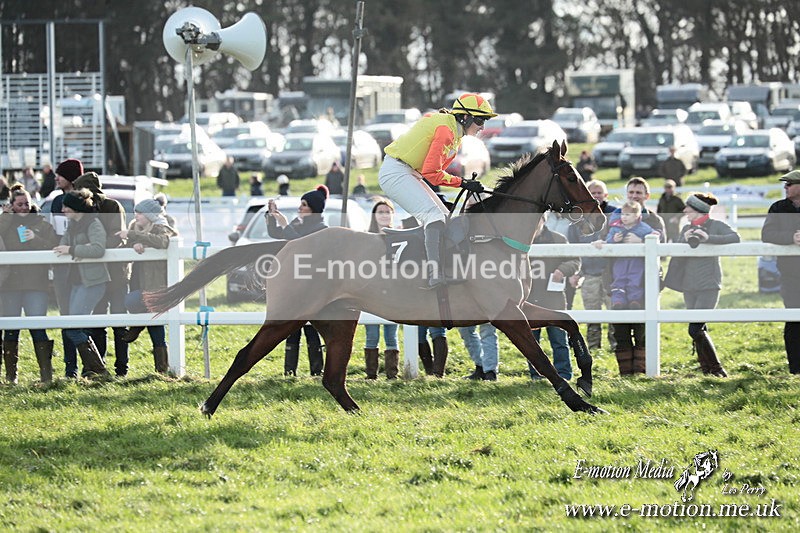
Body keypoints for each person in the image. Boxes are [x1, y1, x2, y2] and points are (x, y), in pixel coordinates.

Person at [378, 92, 495, 288]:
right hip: (396, 172)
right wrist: (463, 183)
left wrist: (462, 183)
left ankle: (441, 267)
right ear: (465, 117)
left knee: (445, 217)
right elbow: (431, 173)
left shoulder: (453, 130)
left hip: (409, 172)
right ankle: (434, 275)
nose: (483, 126)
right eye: (480, 120)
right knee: (433, 217)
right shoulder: (446, 131)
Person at [664, 193, 739, 377]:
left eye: (688, 207)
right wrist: (685, 239)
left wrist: (708, 238)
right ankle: (707, 370)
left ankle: (717, 368)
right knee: (699, 329)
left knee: (695, 328)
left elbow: (735, 237)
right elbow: (679, 253)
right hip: (689, 285)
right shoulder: (686, 228)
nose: (684, 210)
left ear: (698, 210)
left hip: (709, 284)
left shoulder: (716, 225)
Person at [605, 177, 666, 375]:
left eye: (638, 193)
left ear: (646, 196)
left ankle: (641, 370)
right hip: (618, 278)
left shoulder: (654, 220)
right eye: (631, 192)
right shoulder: (615, 218)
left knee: (642, 328)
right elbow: (605, 243)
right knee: (619, 328)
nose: (634, 196)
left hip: (643, 282)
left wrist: (642, 242)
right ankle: (625, 372)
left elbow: (663, 247)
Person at [266, 185, 329, 376]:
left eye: (304, 205)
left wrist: (285, 225)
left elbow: (300, 245)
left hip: (312, 285)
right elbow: (276, 234)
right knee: (291, 330)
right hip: (295, 283)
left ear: (314, 209)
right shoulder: (299, 223)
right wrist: (271, 216)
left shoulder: (321, 229)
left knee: (312, 330)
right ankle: (289, 371)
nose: (300, 208)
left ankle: (317, 370)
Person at [0, 185, 59, 383]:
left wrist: (36, 238)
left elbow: (53, 247)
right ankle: (11, 377)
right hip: (10, 285)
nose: (24, 207)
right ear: (11, 205)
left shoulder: (42, 223)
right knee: (10, 329)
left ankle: (46, 375)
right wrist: (6, 216)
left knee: (38, 326)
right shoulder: (5, 223)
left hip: (36, 284)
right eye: (19, 204)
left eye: (27, 203)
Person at [73, 171, 129, 377]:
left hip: (115, 273)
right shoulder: (91, 208)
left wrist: (95, 247)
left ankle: (120, 369)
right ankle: (100, 367)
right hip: (98, 273)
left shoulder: (111, 206)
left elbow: (117, 237)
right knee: (99, 322)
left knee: (117, 322)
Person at [52, 189, 110, 378]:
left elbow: (98, 249)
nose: (63, 210)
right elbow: (63, 246)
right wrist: (70, 249)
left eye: (66, 206)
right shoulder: (72, 225)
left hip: (92, 282)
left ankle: (98, 370)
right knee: (75, 326)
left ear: (76, 208)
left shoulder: (93, 224)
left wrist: (72, 249)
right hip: (77, 283)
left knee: (73, 327)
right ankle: (94, 370)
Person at [117, 199, 179, 374]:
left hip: (155, 283)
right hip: (138, 280)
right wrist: (134, 243)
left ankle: (162, 368)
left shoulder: (162, 227)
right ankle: (162, 369)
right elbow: (129, 245)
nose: (136, 216)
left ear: (150, 216)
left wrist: (135, 237)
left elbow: (163, 241)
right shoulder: (135, 227)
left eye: (140, 213)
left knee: (143, 312)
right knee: (151, 318)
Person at [568, 179, 616, 352]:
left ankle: (615, 345)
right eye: (592, 193)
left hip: (610, 273)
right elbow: (572, 247)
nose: (596, 196)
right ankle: (594, 348)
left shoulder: (614, 215)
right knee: (591, 312)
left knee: (613, 312)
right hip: (589, 273)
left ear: (606, 195)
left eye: (599, 192)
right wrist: (577, 272)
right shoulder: (578, 219)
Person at [527, 225, 581, 381]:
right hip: (529, 299)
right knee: (531, 341)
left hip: (553, 299)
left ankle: (564, 374)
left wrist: (562, 270)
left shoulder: (558, 239)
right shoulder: (522, 238)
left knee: (559, 340)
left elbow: (574, 260)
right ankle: (537, 374)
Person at [761, 170, 800, 374]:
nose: (785, 188)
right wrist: (790, 238)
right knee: (793, 319)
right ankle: (795, 368)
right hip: (790, 273)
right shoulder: (777, 208)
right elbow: (766, 234)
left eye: (789, 184)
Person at [49, 158, 84, 377]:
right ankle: (70, 366)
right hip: (62, 267)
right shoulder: (55, 202)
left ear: (69, 177)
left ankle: (92, 366)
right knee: (65, 317)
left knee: (86, 318)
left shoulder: (85, 201)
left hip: (81, 268)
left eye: (60, 174)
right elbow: (52, 231)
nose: (56, 178)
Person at [363, 199, 400, 379]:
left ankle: (392, 374)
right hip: (371, 291)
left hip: (393, 290)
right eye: (380, 212)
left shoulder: (400, 237)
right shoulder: (366, 238)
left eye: (387, 211)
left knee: (391, 335)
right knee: (371, 334)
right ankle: (371, 374)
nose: (384, 215)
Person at [603, 201, 659, 311]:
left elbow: (655, 236)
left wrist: (642, 240)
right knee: (619, 279)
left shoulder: (643, 228)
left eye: (628, 215)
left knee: (635, 279)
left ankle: (635, 300)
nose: (624, 217)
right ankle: (618, 300)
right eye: (622, 214)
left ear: (637, 216)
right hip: (620, 260)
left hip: (636, 260)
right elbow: (607, 241)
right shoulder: (615, 228)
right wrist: (614, 240)